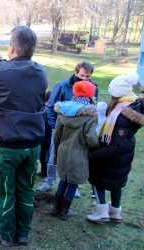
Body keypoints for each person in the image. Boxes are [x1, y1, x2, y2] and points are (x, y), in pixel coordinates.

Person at [0, 26, 47, 246]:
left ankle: (5, 235)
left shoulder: (0, 72)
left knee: (4, 192)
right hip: (32, 145)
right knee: (25, 189)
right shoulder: (40, 72)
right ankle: (22, 233)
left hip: (7, 146)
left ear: (12, 47)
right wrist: (3, 60)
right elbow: (16, 73)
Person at [87, 73, 143, 223]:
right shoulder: (131, 104)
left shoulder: (122, 114)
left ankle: (101, 211)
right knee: (116, 182)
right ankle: (115, 212)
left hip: (112, 154)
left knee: (96, 180)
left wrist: (95, 154)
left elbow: (118, 144)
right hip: (123, 155)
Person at [37, 61, 97, 194]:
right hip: (61, 128)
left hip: (80, 131)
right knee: (54, 155)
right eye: (82, 75)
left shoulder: (93, 87)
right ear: (76, 72)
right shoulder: (62, 86)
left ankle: (70, 182)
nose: (84, 79)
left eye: (87, 76)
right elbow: (51, 106)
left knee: (75, 157)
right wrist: (54, 126)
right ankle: (49, 180)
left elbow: (92, 108)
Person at [51, 81, 102, 220]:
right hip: (78, 154)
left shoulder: (63, 110)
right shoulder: (90, 115)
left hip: (62, 151)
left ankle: (56, 208)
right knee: (73, 183)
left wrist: (56, 151)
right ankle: (64, 212)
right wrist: (97, 144)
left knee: (63, 180)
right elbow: (91, 139)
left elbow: (57, 136)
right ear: (90, 96)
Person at [39, 91, 52, 177]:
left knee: (43, 156)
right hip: (49, 137)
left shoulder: (42, 109)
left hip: (42, 137)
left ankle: (44, 172)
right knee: (46, 156)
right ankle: (45, 172)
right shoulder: (52, 109)